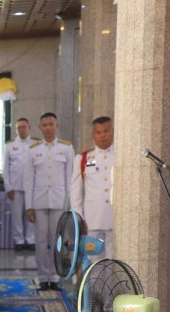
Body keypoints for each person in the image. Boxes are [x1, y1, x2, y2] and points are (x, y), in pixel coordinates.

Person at [24, 112, 75, 290]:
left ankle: (54, 277)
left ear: (56, 126)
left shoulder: (66, 148)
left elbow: (70, 178)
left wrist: (69, 204)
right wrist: (29, 206)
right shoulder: (33, 149)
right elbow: (28, 179)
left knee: (57, 240)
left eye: (51, 124)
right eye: (44, 125)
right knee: (40, 241)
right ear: (40, 127)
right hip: (38, 201)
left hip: (59, 201)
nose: (48, 128)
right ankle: (42, 276)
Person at [70, 116, 114, 258]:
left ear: (112, 132)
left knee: (115, 260)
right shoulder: (83, 158)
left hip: (115, 218)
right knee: (94, 262)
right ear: (93, 135)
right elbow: (76, 192)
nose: (102, 135)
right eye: (98, 132)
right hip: (92, 219)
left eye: (106, 131)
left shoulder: (121, 155)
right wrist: (79, 218)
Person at [3, 117, 35, 251]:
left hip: (32, 186)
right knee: (17, 215)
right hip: (15, 186)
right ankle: (19, 240)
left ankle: (30, 239)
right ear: (16, 130)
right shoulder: (10, 145)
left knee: (31, 214)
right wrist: (8, 187)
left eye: (24, 127)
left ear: (29, 128)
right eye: (19, 128)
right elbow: (5, 168)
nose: (21, 130)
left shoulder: (36, 144)